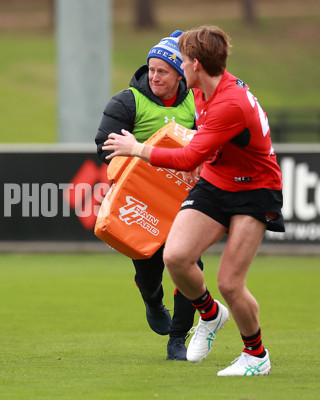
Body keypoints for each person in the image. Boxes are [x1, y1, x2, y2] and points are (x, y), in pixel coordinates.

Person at [102, 25, 283, 376]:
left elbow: (185, 157)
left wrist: (136, 149)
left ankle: (256, 356)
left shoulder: (229, 102)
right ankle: (211, 315)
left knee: (231, 283)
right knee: (176, 256)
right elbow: (205, 148)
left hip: (255, 189)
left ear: (197, 64)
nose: (179, 66)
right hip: (217, 182)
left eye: (183, 60)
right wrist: (203, 159)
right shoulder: (203, 90)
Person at [95, 30, 201, 361]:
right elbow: (103, 147)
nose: (154, 76)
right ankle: (152, 298)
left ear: (179, 73)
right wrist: (143, 156)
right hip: (140, 200)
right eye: (151, 69)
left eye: (163, 71)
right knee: (149, 267)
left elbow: (212, 145)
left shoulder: (196, 101)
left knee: (187, 263)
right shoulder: (127, 100)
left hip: (184, 201)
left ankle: (178, 338)